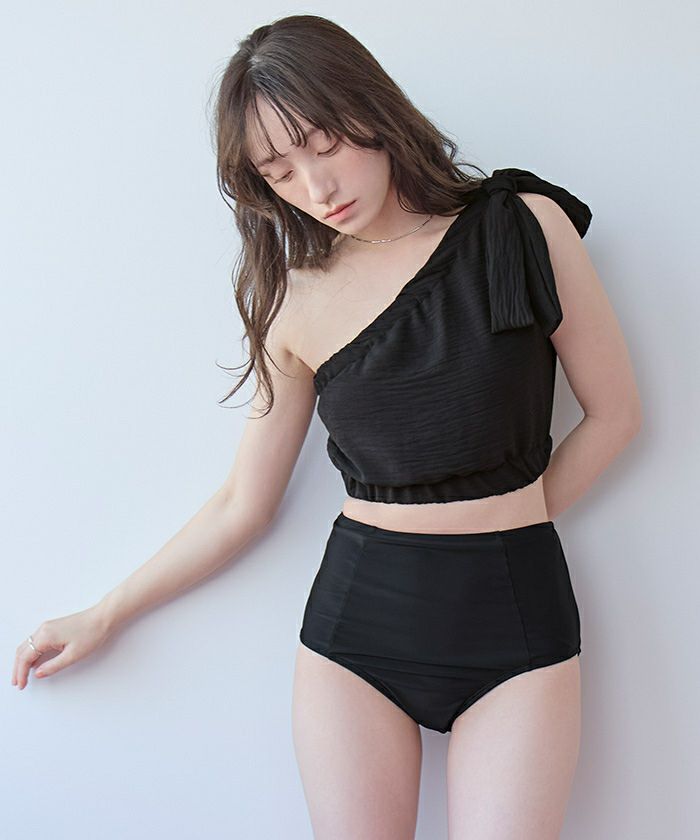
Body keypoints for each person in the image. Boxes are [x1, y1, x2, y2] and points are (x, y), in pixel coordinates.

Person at [12, 14, 642, 840]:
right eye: (279, 172)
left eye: (324, 144)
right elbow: (243, 502)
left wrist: (504, 528)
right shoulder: (295, 298)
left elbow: (616, 414)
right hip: (359, 630)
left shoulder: (521, 226)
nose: (315, 188)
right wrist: (104, 613)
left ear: (372, 108)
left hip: (517, 615)